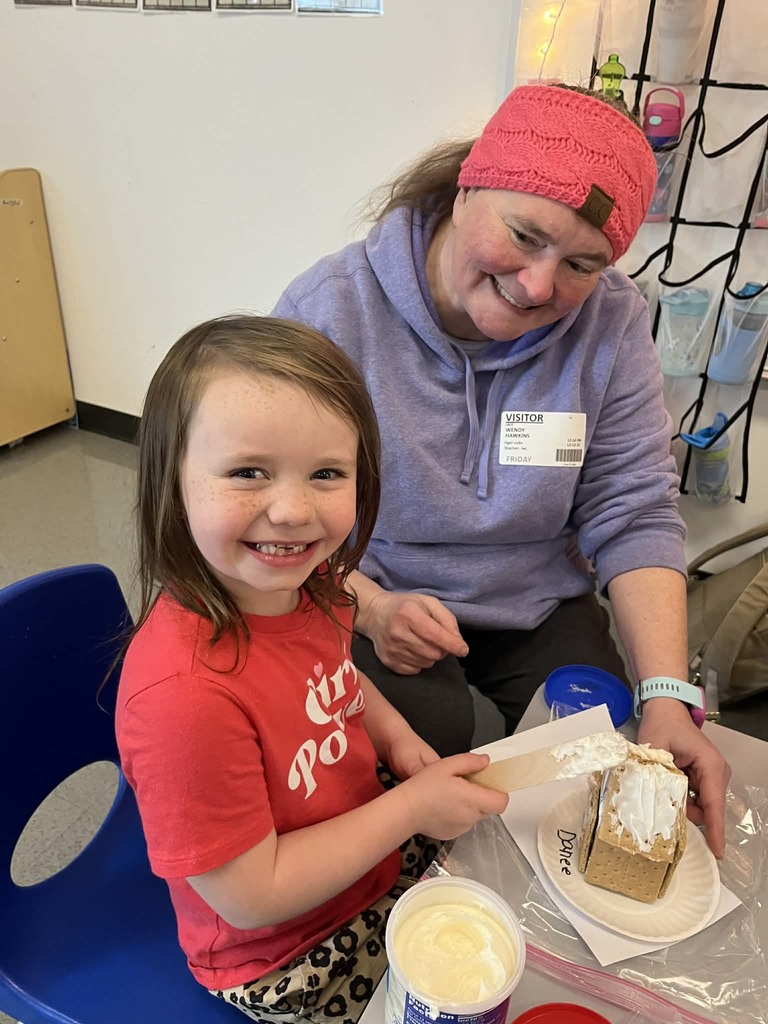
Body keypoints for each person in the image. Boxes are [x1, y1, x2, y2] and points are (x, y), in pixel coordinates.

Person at [272, 84, 731, 857]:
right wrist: (376, 606)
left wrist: (669, 696)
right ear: (468, 188)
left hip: (537, 595)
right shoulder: (331, 313)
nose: (539, 286)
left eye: (582, 263)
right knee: (420, 752)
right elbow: (278, 514)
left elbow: (635, 510)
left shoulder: (611, 322)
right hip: (372, 582)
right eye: (523, 235)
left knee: (608, 749)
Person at [115, 316, 507, 1023]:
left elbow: (337, 680)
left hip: (356, 847)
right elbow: (250, 895)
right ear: (171, 483)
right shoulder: (183, 699)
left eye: (327, 473)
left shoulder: (310, 584)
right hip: (284, 952)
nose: (294, 512)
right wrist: (410, 809)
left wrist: (392, 737)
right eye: (247, 472)